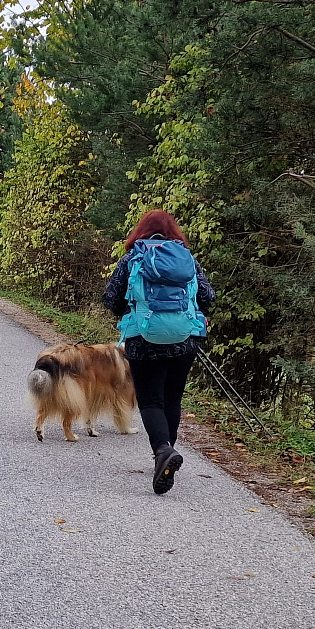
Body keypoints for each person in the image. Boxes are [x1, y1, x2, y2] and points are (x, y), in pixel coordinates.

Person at [102, 209, 216, 494]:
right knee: (172, 398)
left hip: (143, 338)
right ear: (174, 232)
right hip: (184, 339)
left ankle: (162, 451)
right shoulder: (187, 259)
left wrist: (132, 310)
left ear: (140, 231)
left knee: (151, 400)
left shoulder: (133, 258)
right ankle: (166, 453)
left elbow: (111, 298)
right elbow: (207, 297)